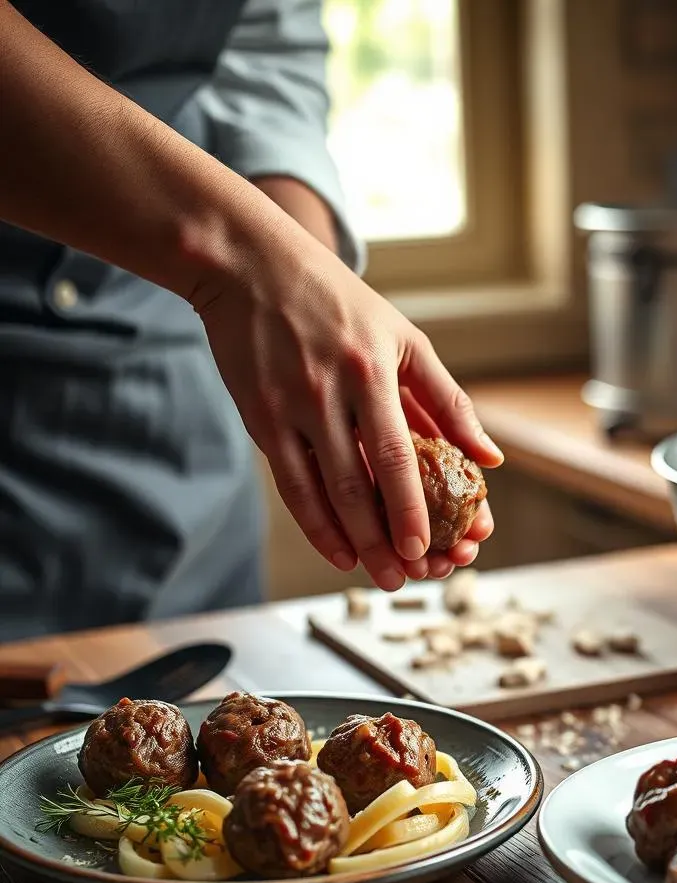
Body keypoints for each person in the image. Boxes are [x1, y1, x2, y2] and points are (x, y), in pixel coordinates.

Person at [0, 0, 502, 643]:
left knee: (213, 708)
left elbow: (264, 42)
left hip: (183, 367)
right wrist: (249, 262)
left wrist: (313, 292)